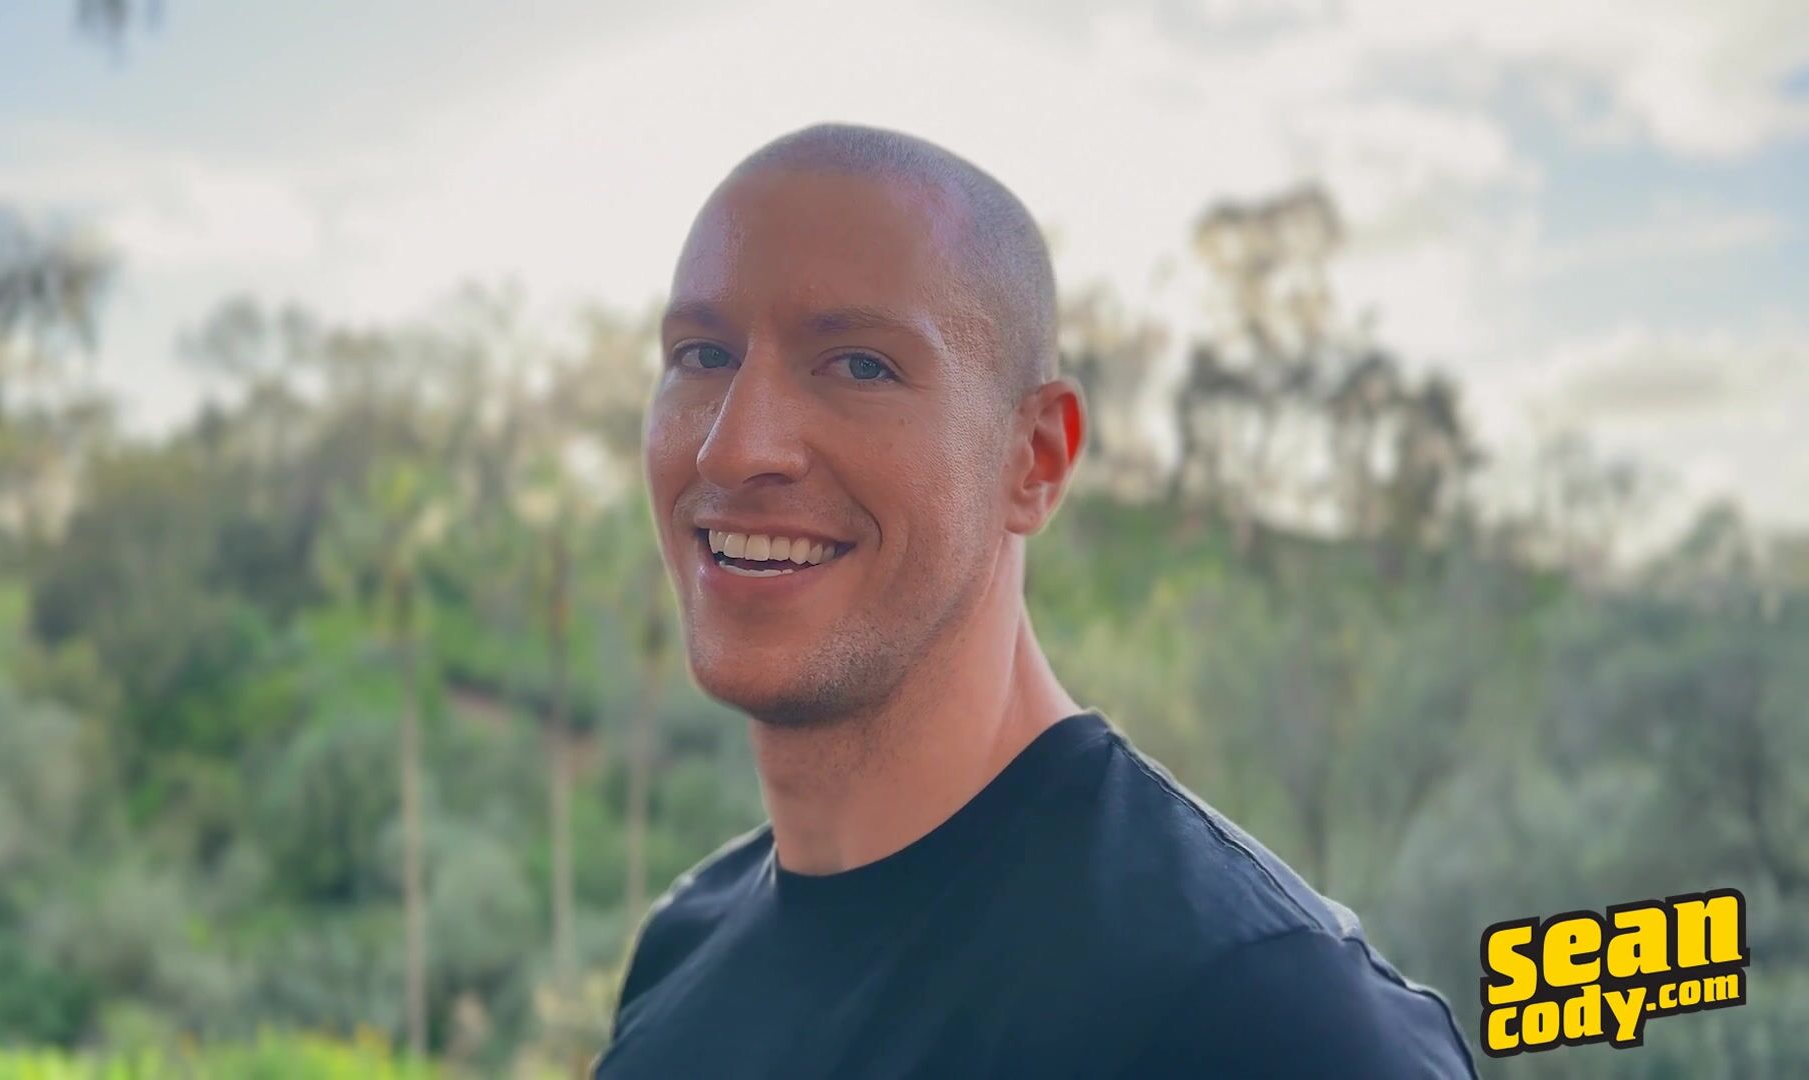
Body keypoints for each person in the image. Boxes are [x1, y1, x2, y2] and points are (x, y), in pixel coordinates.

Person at [594, 122, 1477, 1078]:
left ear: (1036, 458)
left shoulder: (1259, 1013)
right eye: (702, 355)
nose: (734, 448)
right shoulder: (681, 950)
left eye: (859, 364)